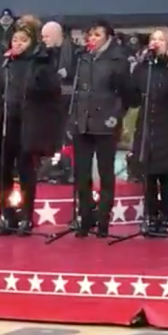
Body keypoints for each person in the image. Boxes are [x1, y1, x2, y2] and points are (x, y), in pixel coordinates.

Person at [0, 16, 63, 234]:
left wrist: (45, 63)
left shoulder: (39, 63)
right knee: (3, 171)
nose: (17, 44)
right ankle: (7, 214)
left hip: (28, 123)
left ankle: (27, 216)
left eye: (23, 40)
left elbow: (50, 90)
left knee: (27, 170)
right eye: (15, 39)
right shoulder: (4, 63)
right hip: (5, 122)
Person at [70, 20, 132, 237]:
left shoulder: (118, 59)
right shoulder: (82, 58)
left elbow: (126, 93)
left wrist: (116, 115)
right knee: (82, 173)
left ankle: (104, 220)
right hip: (82, 122)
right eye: (90, 35)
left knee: (106, 173)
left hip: (106, 121)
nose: (92, 39)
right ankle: (85, 218)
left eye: (97, 34)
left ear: (108, 37)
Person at [131, 28, 168, 230]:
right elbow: (134, 95)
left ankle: (166, 215)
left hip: (167, 124)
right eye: (153, 39)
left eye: (160, 39)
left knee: (164, 173)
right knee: (147, 173)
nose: (155, 42)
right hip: (147, 123)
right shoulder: (143, 68)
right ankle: (150, 214)